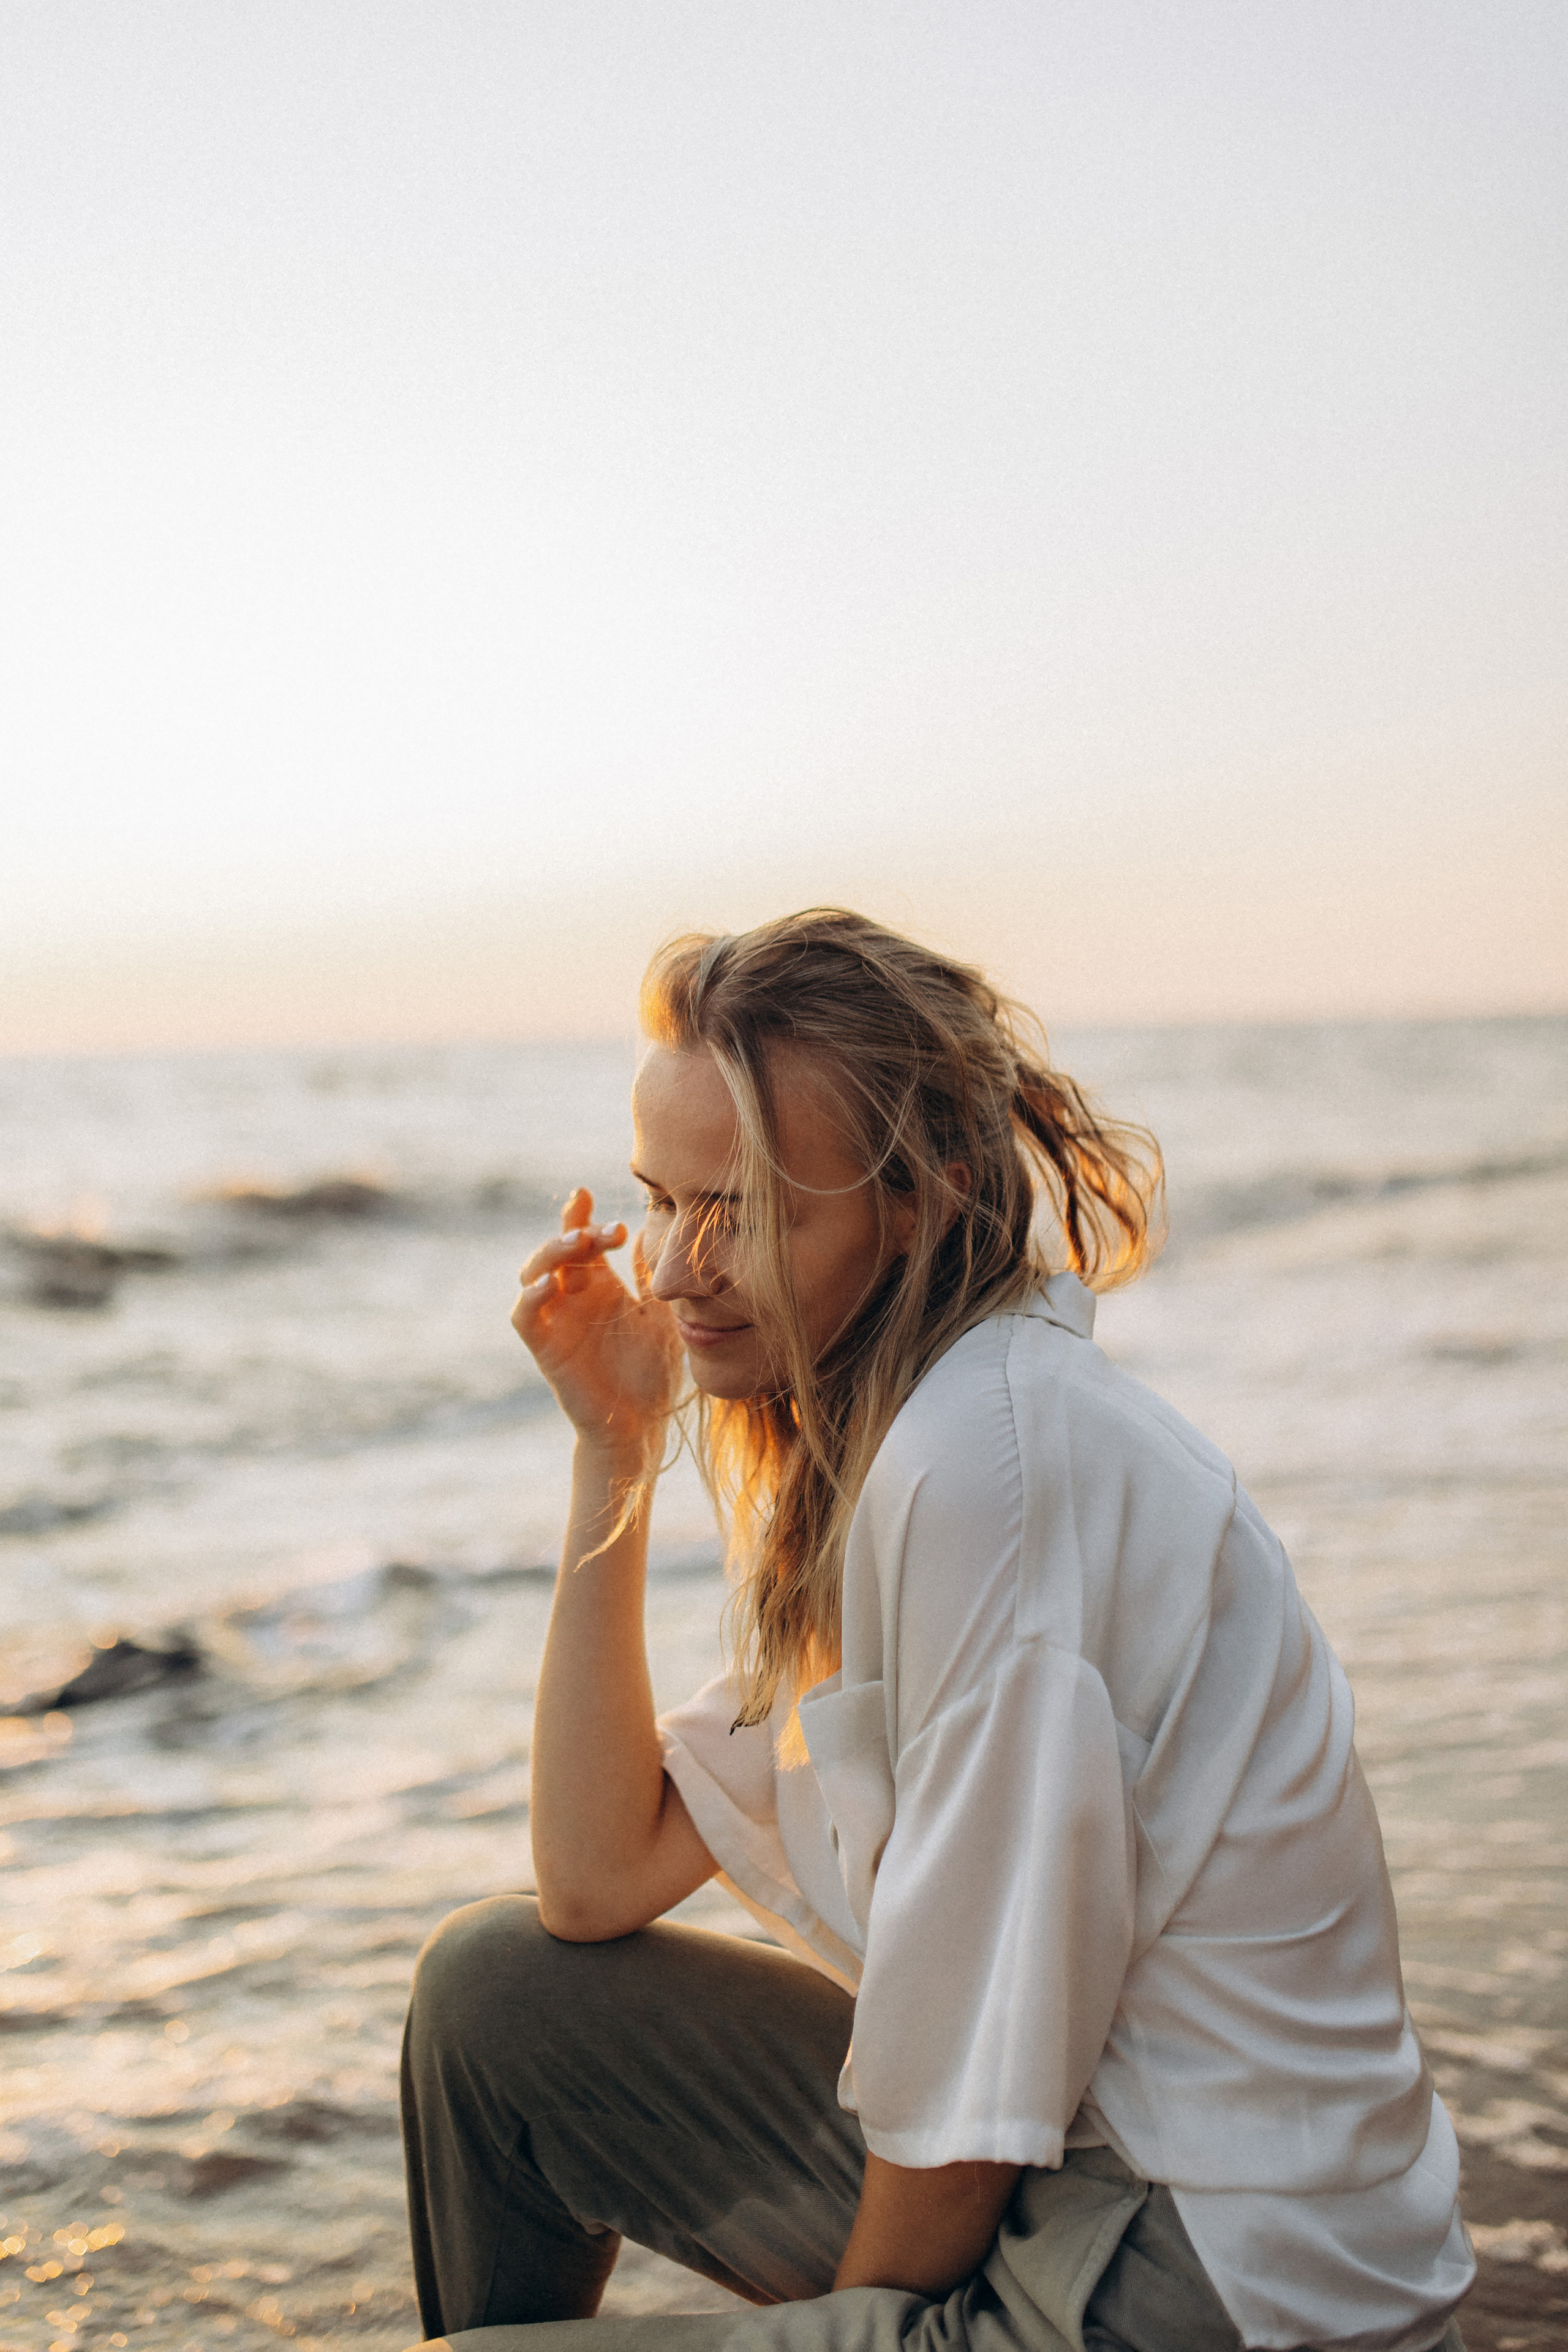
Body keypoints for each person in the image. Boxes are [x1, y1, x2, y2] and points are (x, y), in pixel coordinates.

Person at [401, 910, 1473, 2352]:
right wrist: (613, 1447)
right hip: (1067, 2180)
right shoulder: (920, 1433)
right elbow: (592, 1881)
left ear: (920, 1197)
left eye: (747, 1213)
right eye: (660, 1199)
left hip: (1201, 2276)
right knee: (496, 1997)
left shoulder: (988, 1473)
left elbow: (967, 2099)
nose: (668, 1269)